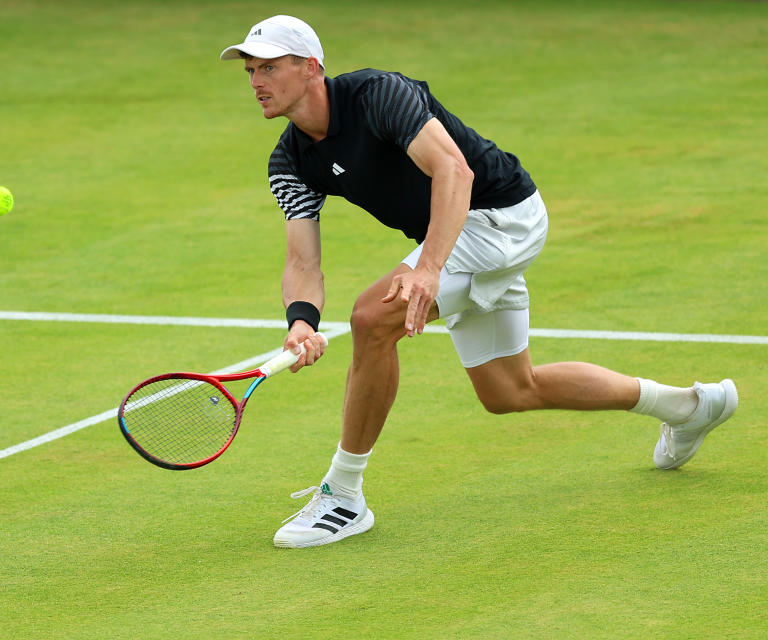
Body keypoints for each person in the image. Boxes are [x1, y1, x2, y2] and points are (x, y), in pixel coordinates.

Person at [219, 15, 738, 549]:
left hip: (500, 214)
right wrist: (301, 323)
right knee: (511, 390)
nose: (257, 81)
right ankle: (690, 408)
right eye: (251, 70)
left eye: (270, 67)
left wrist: (428, 269)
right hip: (461, 234)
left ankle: (344, 495)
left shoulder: (379, 95)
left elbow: (455, 172)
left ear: (311, 68)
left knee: (372, 319)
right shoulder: (287, 161)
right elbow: (303, 263)